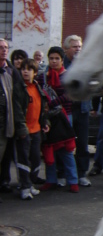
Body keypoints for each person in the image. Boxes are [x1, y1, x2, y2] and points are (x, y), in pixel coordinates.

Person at [37, 46, 79, 190]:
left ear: (62, 60)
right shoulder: (43, 76)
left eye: (57, 59)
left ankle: (73, 181)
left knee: (66, 150)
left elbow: (69, 96)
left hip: (64, 116)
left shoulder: (68, 76)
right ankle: (51, 179)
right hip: (48, 118)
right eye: (51, 58)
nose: (54, 61)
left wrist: (51, 103)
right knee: (49, 148)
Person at [12, 59, 49, 199]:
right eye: (23, 69)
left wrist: (45, 122)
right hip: (25, 131)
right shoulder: (18, 88)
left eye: (29, 69)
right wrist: (22, 131)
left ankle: (30, 183)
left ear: (34, 72)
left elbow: (42, 108)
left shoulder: (37, 87)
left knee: (35, 159)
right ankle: (25, 187)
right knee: (23, 160)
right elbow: (17, 111)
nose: (25, 72)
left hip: (37, 130)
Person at [63, 35, 91, 187]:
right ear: (66, 49)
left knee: (82, 143)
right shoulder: (61, 64)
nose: (78, 49)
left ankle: (82, 174)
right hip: (66, 109)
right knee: (64, 143)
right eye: (75, 46)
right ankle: (64, 175)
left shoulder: (85, 64)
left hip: (82, 108)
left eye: (80, 46)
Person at [0, 39, 18, 195]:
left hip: (8, 120)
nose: (4, 50)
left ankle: (4, 181)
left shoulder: (11, 71)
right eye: (1, 48)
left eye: (6, 47)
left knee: (6, 155)